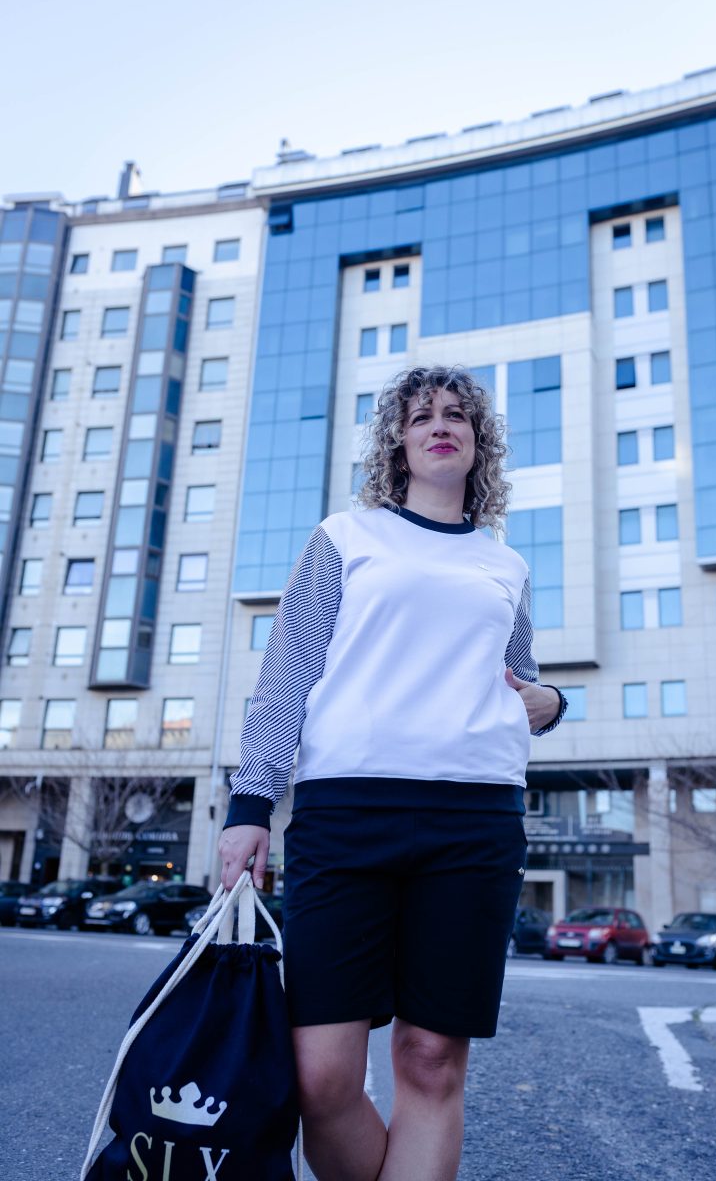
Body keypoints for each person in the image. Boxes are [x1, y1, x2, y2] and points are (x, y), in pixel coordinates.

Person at [218, 365, 567, 1181]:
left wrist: (553, 702)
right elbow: (287, 676)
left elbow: (522, 679)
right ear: (398, 445)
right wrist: (251, 803)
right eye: (421, 417)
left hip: (475, 822)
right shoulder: (345, 538)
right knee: (321, 1078)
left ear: (479, 444)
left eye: (457, 416)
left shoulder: (505, 565)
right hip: (345, 817)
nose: (440, 425)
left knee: (431, 1061)